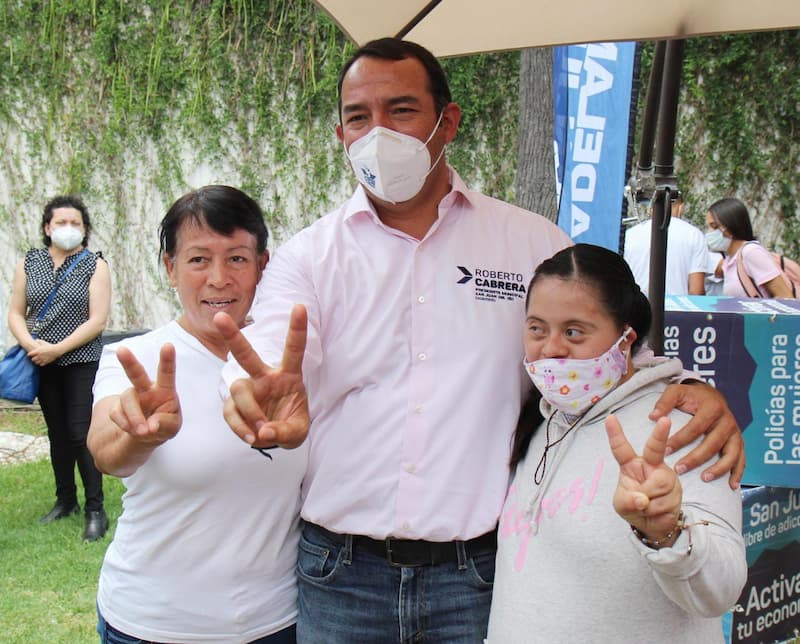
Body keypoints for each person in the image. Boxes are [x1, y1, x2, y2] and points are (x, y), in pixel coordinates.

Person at [219, 38, 744, 643]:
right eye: (359, 117)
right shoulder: (309, 257)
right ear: (339, 133)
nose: (378, 133)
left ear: (449, 121)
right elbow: (263, 361)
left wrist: (690, 389)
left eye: (402, 110)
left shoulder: (530, 243)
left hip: (477, 577)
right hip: (341, 574)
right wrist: (248, 392)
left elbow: (611, 348)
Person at [486, 244, 747, 641]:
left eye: (574, 331)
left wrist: (666, 532)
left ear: (626, 338)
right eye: (537, 328)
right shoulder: (544, 417)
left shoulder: (678, 428)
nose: (552, 348)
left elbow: (722, 590)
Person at [87, 185, 308, 643]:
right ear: (171, 268)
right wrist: (141, 436)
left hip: (276, 622)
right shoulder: (136, 357)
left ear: (262, 266)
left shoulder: (291, 363)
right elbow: (107, 455)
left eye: (237, 259)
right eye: (198, 259)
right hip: (152, 624)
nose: (218, 278)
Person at [7, 195, 111, 541]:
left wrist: (58, 349)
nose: (68, 229)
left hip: (81, 359)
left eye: (75, 223)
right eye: (61, 223)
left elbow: (97, 321)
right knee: (57, 434)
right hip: (40, 359)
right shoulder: (29, 263)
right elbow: (16, 313)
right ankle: (66, 501)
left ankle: (96, 509)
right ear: (47, 228)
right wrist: (32, 345)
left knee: (81, 434)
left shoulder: (95, 265)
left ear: (85, 229)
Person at [624, 191, 710, 296]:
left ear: (651, 209)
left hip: (637, 306)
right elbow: (696, 290)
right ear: (681, 208)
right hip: (677, 308)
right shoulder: (694, 235)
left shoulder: (630, 234)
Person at [705, 196, 792, 298]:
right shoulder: (730, 260)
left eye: (714, 226)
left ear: (730, 226)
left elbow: (785, 297)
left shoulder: (751, 253)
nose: (709, 232)